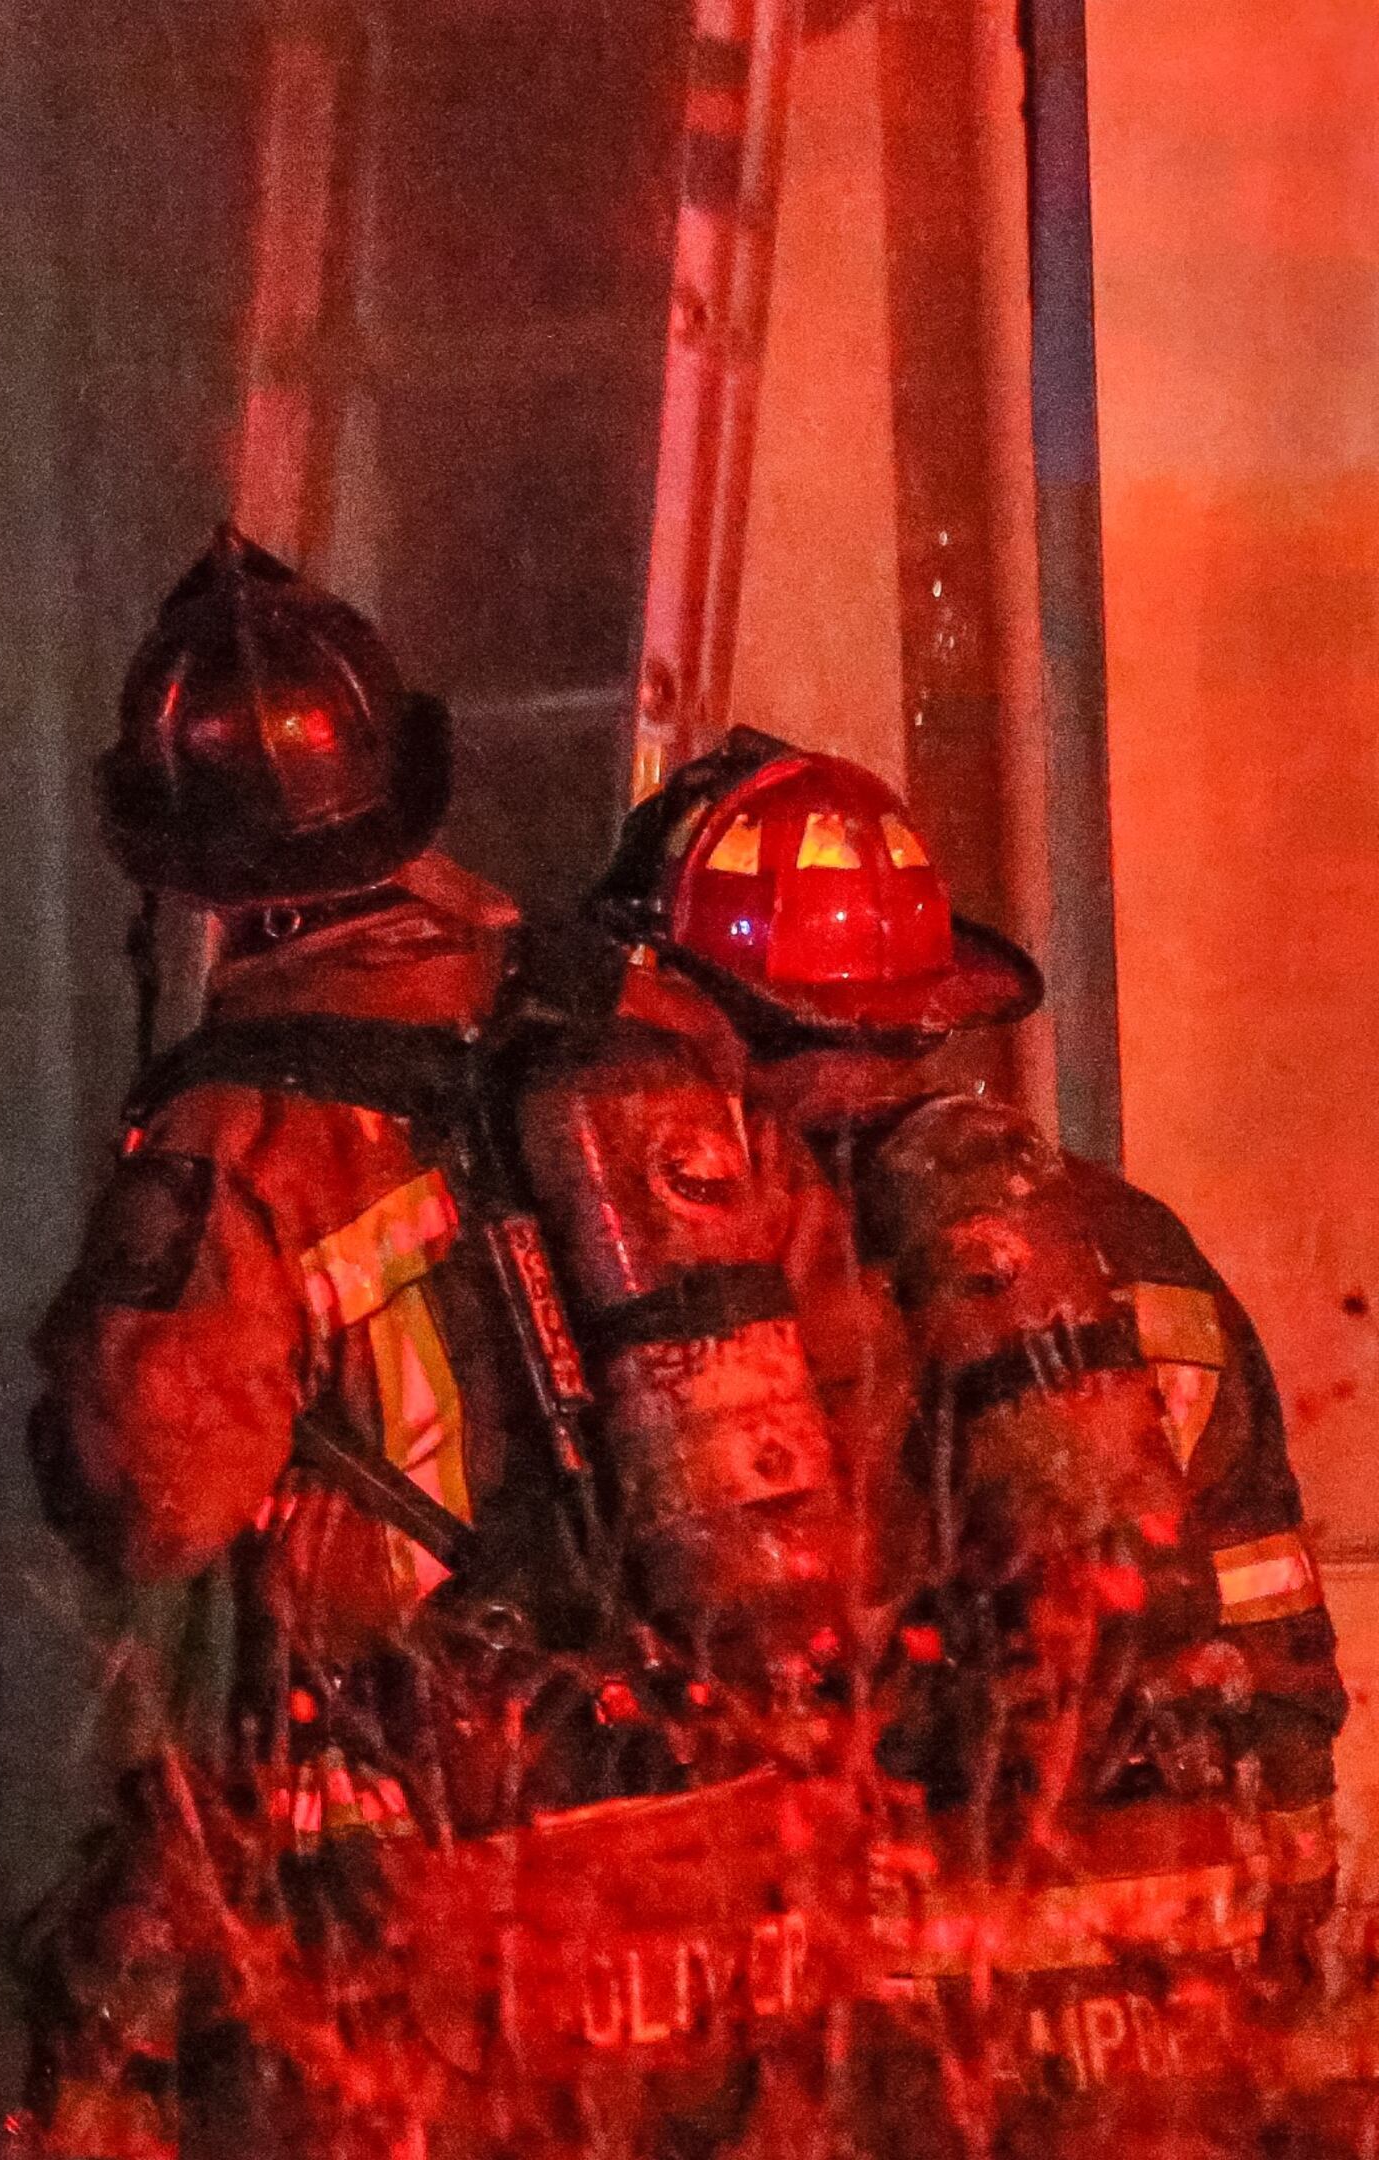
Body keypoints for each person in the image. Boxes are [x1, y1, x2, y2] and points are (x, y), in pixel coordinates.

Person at [21, 536, 891, 2160]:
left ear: (198, 881)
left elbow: (155, 1504)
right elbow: (864, 1412)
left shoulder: (247, 1126)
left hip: (437, 1877)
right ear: (411, 799)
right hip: (741, 1856)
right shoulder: (663, 1039)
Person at [592, 731, 1341, 2158]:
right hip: (1177, 1981)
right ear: (929, 1009)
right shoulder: (1139, 1249)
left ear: (700, 1007)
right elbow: (1274, 1649)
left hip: (909, 2020)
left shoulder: (723, 1291)